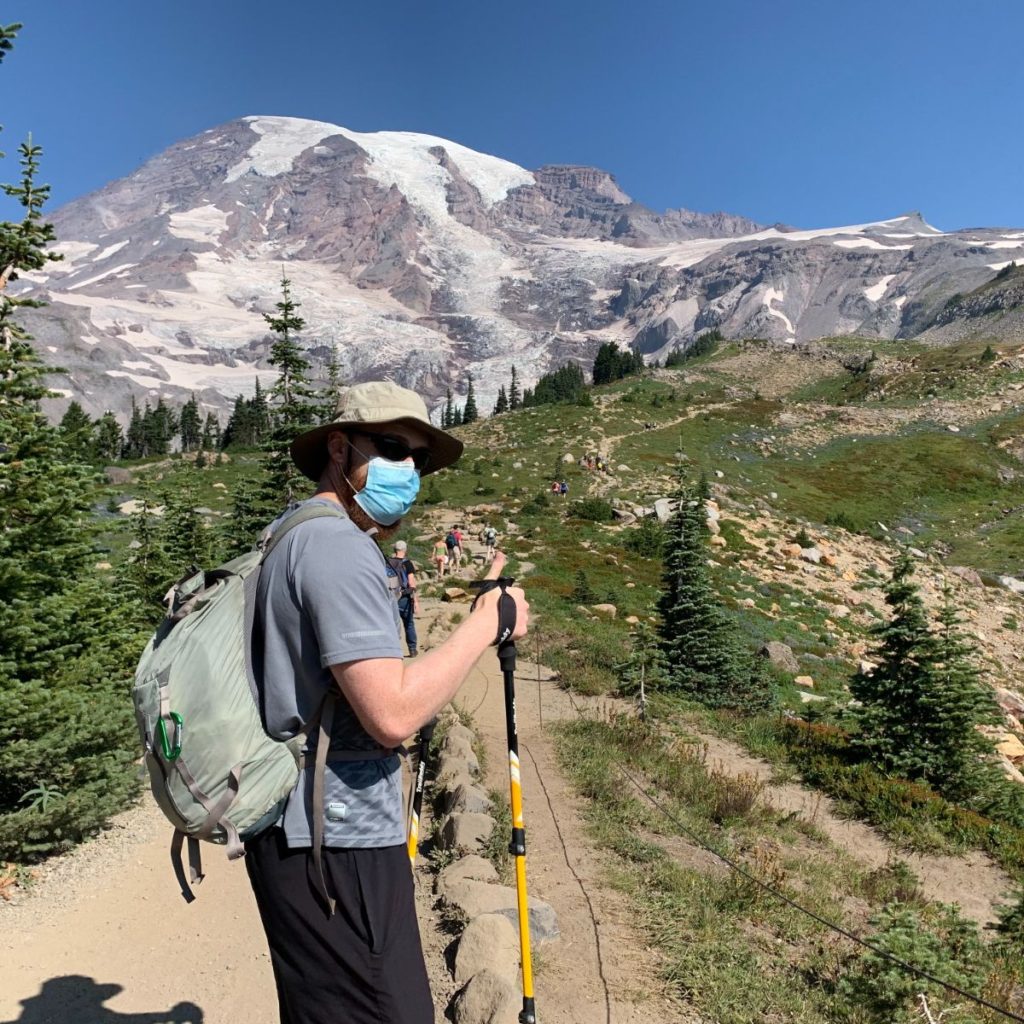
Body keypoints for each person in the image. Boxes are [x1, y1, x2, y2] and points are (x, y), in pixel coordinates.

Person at [247, 380, 529, 1024]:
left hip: (294, 822)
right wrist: (485, 624)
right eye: (394, 446)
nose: (409, 470)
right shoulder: (339, 548)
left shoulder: (292, 531)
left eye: (419, 459)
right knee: (385, 1007)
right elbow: (393, 712)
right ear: (340, 448)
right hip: (333, 833)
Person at [388, 540, 419, 657]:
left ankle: (393, 652)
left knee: (391, 625)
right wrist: (415, 601)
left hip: (390, 597)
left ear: (394, 549)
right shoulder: (407, 563)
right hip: (404, 597)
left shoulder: (387, 562)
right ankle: (412, 650)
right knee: (409, 624)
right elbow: (412, 583)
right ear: (405, 550)